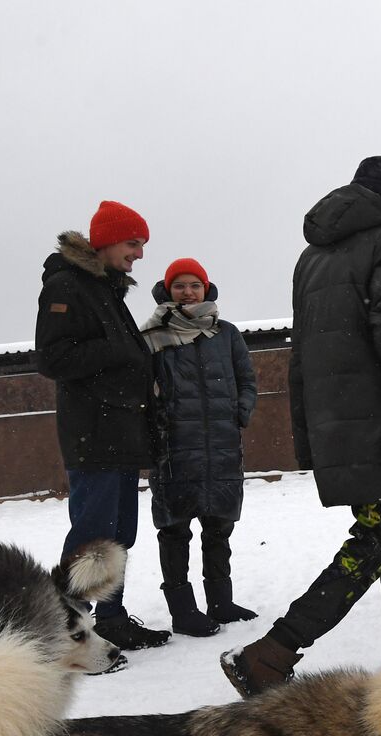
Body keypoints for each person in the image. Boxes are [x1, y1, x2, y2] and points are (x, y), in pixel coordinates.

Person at [219, 156, 381, 696]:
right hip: (377, 419)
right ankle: (271, 653)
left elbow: (302, 356)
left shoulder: (311, 256)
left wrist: (308, 435)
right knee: (379, 535)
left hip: (336, 419)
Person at [35, 200, 171, 662]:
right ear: (108, 240)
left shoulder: (105, 290)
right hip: (93, 434)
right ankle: (58, 633)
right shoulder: (67, 285)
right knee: (92, 537)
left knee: (117, 535)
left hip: (119, 433)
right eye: (133, 243)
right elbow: (52, 358)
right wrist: (117, 352)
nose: (139, 253)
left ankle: (110, 619)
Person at [142, 257, 259, 637]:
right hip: (174, 452)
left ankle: (221, 602)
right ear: (168, 290)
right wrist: (158, 427)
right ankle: (183, 611)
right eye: (180, 286)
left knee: (219, 529)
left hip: (222, 448)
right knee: (175, 532)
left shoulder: (226, 333)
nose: (188, 292)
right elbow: (143, 390)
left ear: (206, 289)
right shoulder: (152, 336)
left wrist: (239, 414)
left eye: (195, 285)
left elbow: (247, 379)